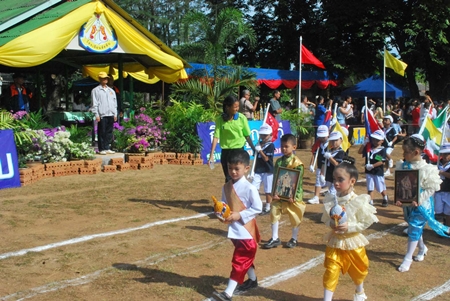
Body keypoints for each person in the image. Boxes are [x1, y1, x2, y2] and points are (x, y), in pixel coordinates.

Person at [321, 158, 378, 301]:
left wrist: (349, 227)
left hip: (353, 241)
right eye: (334, 179)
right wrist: (331, 224)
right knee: (331, 269)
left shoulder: (357, 201)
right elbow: (326, 218)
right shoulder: (331, 199)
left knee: (358, 269)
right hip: (335, 241)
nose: (336, 183)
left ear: (352, 181)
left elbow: (365, 222)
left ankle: (360, 291)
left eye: (340, 179)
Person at [212, 149, 262, 301]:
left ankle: (228, 293)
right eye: (230, 168)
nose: (233, 172)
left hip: (247, 231)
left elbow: (258, 207)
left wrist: (240, 215)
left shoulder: (250, 188)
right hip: (234, 230)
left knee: (240, 259)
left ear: (246, 168)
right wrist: (221, 213)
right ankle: (252, 280)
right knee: (245, 257)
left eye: (236, 168)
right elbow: (224, 205)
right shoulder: (226, 187)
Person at [395, 134, 449, 273]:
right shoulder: (403, 165)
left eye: (406, 152)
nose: (404, 154)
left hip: (422, 204)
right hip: (408, 202)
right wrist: (399, 198)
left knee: (415, 226)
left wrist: (419, 199)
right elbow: (400, 184)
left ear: (416, 152)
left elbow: (431, 188)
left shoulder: (427, 169)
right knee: (411, 223)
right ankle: (422, 247)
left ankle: (408, 257)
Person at [262, 134, 305, 249]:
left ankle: (294, 238)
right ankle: (275, 237)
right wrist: (274, 192)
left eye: (287, 146)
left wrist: (293, 195)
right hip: (279, 194)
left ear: (294, 147)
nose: (284, 149)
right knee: (274, 211)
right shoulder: (279, 162)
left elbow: (298, 181)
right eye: (282, 146)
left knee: (295, 215)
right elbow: (276, 178)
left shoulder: (298, 164)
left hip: (293, 195)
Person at [209, 95, 256, 182]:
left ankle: (239, 195)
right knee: (229, 178)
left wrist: (253, 148)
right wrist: (211, 155)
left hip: (238, 151)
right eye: (235, 107)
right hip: (226, 153)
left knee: (238, 177)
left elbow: (247, 135)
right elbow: (216, 137)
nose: (237, 108)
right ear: (227, 107)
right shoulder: (220, 120)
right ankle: (229, 195)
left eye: (238, 106)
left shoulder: (242, 118)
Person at [358, 129, 389, 207]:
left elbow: (382, 161)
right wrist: (364, 143)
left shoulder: (382, 150)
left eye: (377, 140)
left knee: (380, 187)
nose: (375, 141)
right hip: (369, 172)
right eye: (374, 139)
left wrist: (372, 166)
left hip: (378, 171)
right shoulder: (369, 149)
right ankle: (371, 201)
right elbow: (360, 151)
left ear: (382, 140)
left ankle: (385, 197)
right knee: (370, 187)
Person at [91, 72, 117, 155]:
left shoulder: (111, 91)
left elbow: (114, 103)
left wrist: (115, 114)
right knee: (102, 131)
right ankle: (101, 148)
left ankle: (107, 147)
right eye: (103, 78)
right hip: (102, 114)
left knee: (109, 132)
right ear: (99, 79)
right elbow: (94, 103)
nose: (105, 79)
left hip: (111, 114)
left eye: (106, 78)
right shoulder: (95, 90)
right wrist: (96, 114)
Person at [252, 123, 275, 215]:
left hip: (268, 170)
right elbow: (255, 156)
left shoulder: (271, 146)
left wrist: (260, 150)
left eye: (266, 135)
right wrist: (256, 149)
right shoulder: (258, 144)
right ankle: (256, 205)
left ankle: (268, 207)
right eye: (262, 135)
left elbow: (266, 159)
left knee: (268, 190)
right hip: (258, 170)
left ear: (270, 135)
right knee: (253, 188)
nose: (264, 137)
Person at [308, 125, 329, 204]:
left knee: (330, 182)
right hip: (320, 165)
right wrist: (311, 164)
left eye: (323, 137)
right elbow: (314, 154)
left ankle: (331, 198)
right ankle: (316, 197)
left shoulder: (331, 143)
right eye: (320, 137)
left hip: (329, 167)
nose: (322, 138)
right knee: (318, 181)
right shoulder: (318, 144)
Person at [322, 131, 346, 196]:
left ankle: (334, 204)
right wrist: (322, 174)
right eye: (332, 141)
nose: (334, 142)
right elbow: (324, 163)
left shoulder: (341, 152)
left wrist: (329, 157)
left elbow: (337, 164)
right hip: (329, 174)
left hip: (336, 175)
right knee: (330, 190)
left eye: (336, 140)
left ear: (341, 140)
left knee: (332, 192)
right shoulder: (329, 151)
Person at [435, 143, 450, 226]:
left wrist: (441, 172)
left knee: (448, 212)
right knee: (438, 211)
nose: (445, 156)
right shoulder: (437, 164)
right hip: (438, 190)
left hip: (448, 191)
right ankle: (439, 228)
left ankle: (447, 228)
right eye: (444, 153)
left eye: (448, 154)